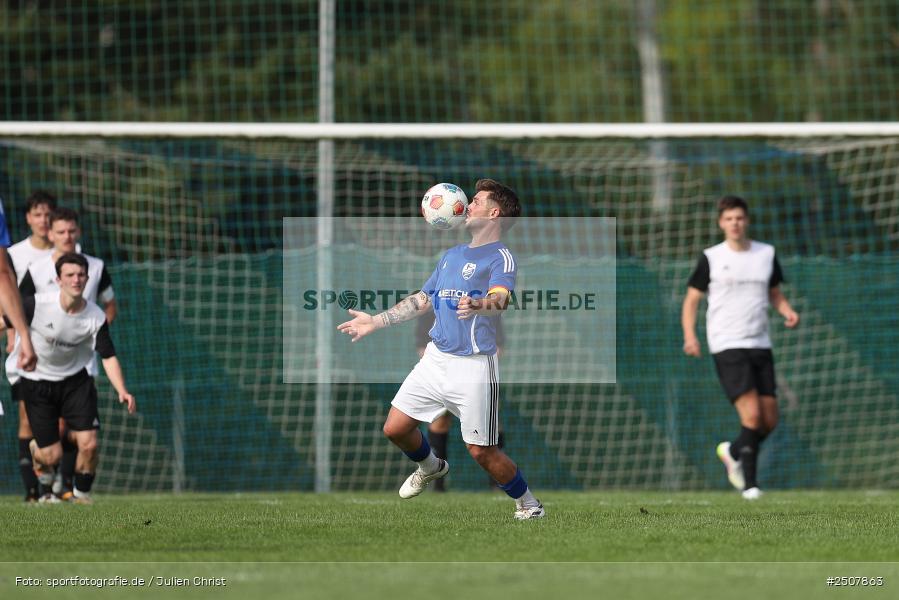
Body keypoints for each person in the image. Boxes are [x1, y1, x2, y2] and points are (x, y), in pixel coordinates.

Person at [338, 179, 544, 520]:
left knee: (482, 452)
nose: (468, 204)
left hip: (473, 366)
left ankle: (529, 504)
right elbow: (421, 300)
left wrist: (480, 303)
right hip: (435, 359)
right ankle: (431, 466)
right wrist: (375, 321)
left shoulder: (501, 257)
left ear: (495, 212)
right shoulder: (451, 255)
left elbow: (501, 298)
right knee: (395, 428)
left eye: (476, 200)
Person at [681, 195, 799, 500]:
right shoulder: (712, 257)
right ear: (721, 223)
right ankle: (750, 486)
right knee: (751, 417)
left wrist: (786, 310)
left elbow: (774, 293)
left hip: (760, 342)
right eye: (729, 218)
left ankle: (732, 451)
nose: (735, 223)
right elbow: (692, 300)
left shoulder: (765, 254)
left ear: (747, 221)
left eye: (740, 218)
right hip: (726, 343)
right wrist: (690, 336)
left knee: (769, 419)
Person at [5, 253, 135, 505]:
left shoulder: (95, 316)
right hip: (38, 383)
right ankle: (39, 456)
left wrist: (122, 390)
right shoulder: (35, 305)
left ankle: (82, 495)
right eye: (70, 275)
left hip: (76, 383)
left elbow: (108, 356)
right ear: (58, 280)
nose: (76, 280)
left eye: (81, 275)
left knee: (89, 443)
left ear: (87, 279)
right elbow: (5, 321)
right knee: (50, 456)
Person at [17, 206, 117, 500]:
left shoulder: (96, 267)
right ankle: (47, 486)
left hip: (83, 362)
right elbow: (17, 311)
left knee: (81, 429)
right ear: (51, 233)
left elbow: (110, 305)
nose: (67, 236)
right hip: (42, 362)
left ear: (79, 232)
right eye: (60, 231)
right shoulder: (36, 271)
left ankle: (69, 490)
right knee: (54, 429)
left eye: (72, 230)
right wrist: (18, 338)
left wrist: (92, 331)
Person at [415, 315, 506, 492]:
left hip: (478, 376)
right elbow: (422, 346)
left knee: (491, 425)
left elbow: (498, 346)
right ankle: (437, 484)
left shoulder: (485, 306)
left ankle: (498, 481)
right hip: (443, 376)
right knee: (439, 421)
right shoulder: (434, 305)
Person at [6, 190, 56, 503]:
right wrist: (14, 334)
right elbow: (6, 296)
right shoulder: (14, 254)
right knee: (28, 418)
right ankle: (32, 491)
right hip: (25, 350)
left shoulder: (68, 250)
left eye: (48, 214)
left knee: (59, 422)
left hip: (60, 353)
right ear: (28, 218)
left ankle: (55, 486)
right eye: (37, 214)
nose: (43, 220)